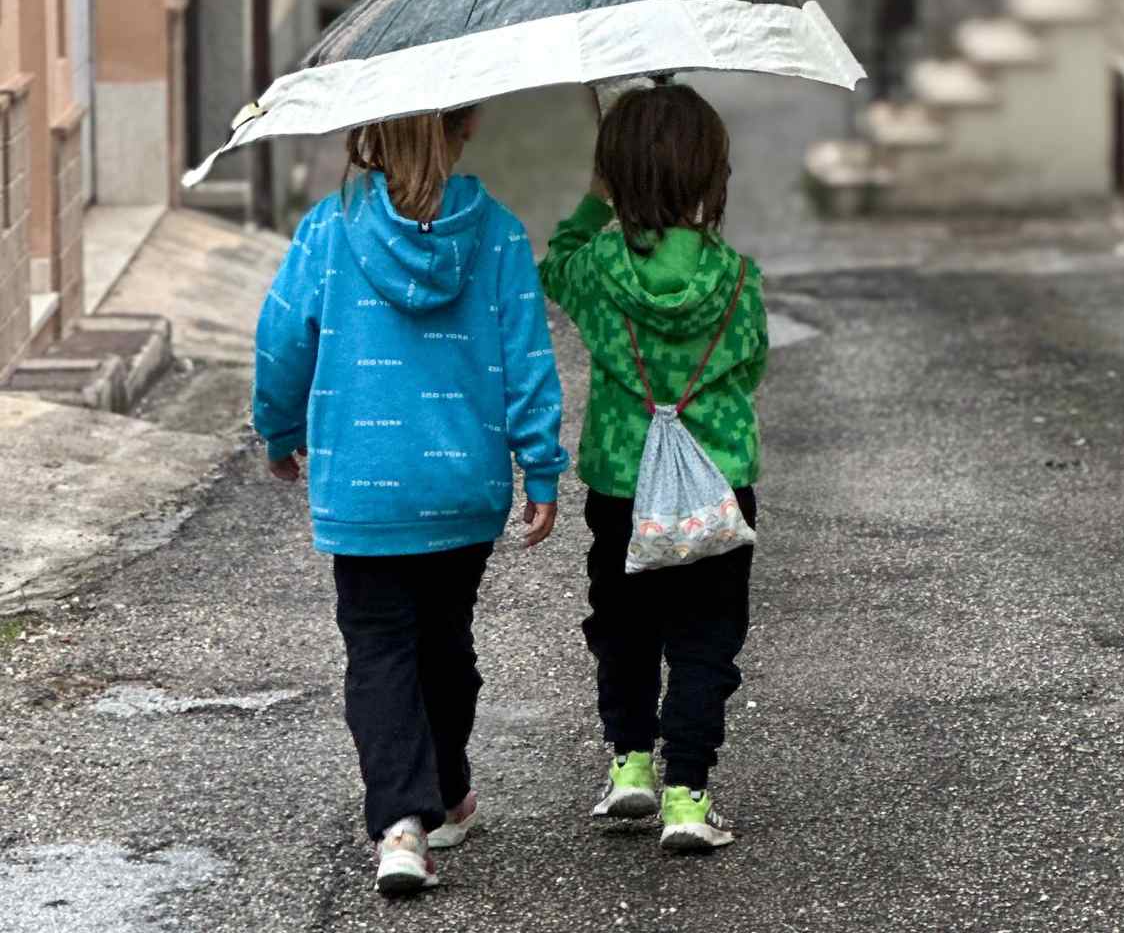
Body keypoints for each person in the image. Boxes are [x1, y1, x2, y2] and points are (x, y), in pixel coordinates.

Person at [253, 106, 569, 895]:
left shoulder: (330, 230)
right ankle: (450, 789)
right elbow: (527, 355)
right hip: (460, 483)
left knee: (381, 650)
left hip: (363, 485)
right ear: (466, 127)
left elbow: (283, 339)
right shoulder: (495, 233)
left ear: (368, 133)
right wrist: (540, 467)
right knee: (444, 640)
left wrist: (278, 428)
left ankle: (400, 826)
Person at [539, 83, 768, 853]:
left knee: (625, 626)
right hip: (717, 487)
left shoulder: (598, 268)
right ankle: (688, 797)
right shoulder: (736, 278)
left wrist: (595, 200)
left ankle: (631, 764)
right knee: (705, 639)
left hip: (621, 485)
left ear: (616, 177)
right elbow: (752, 365)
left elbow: (555, 264)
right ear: (711, 174)